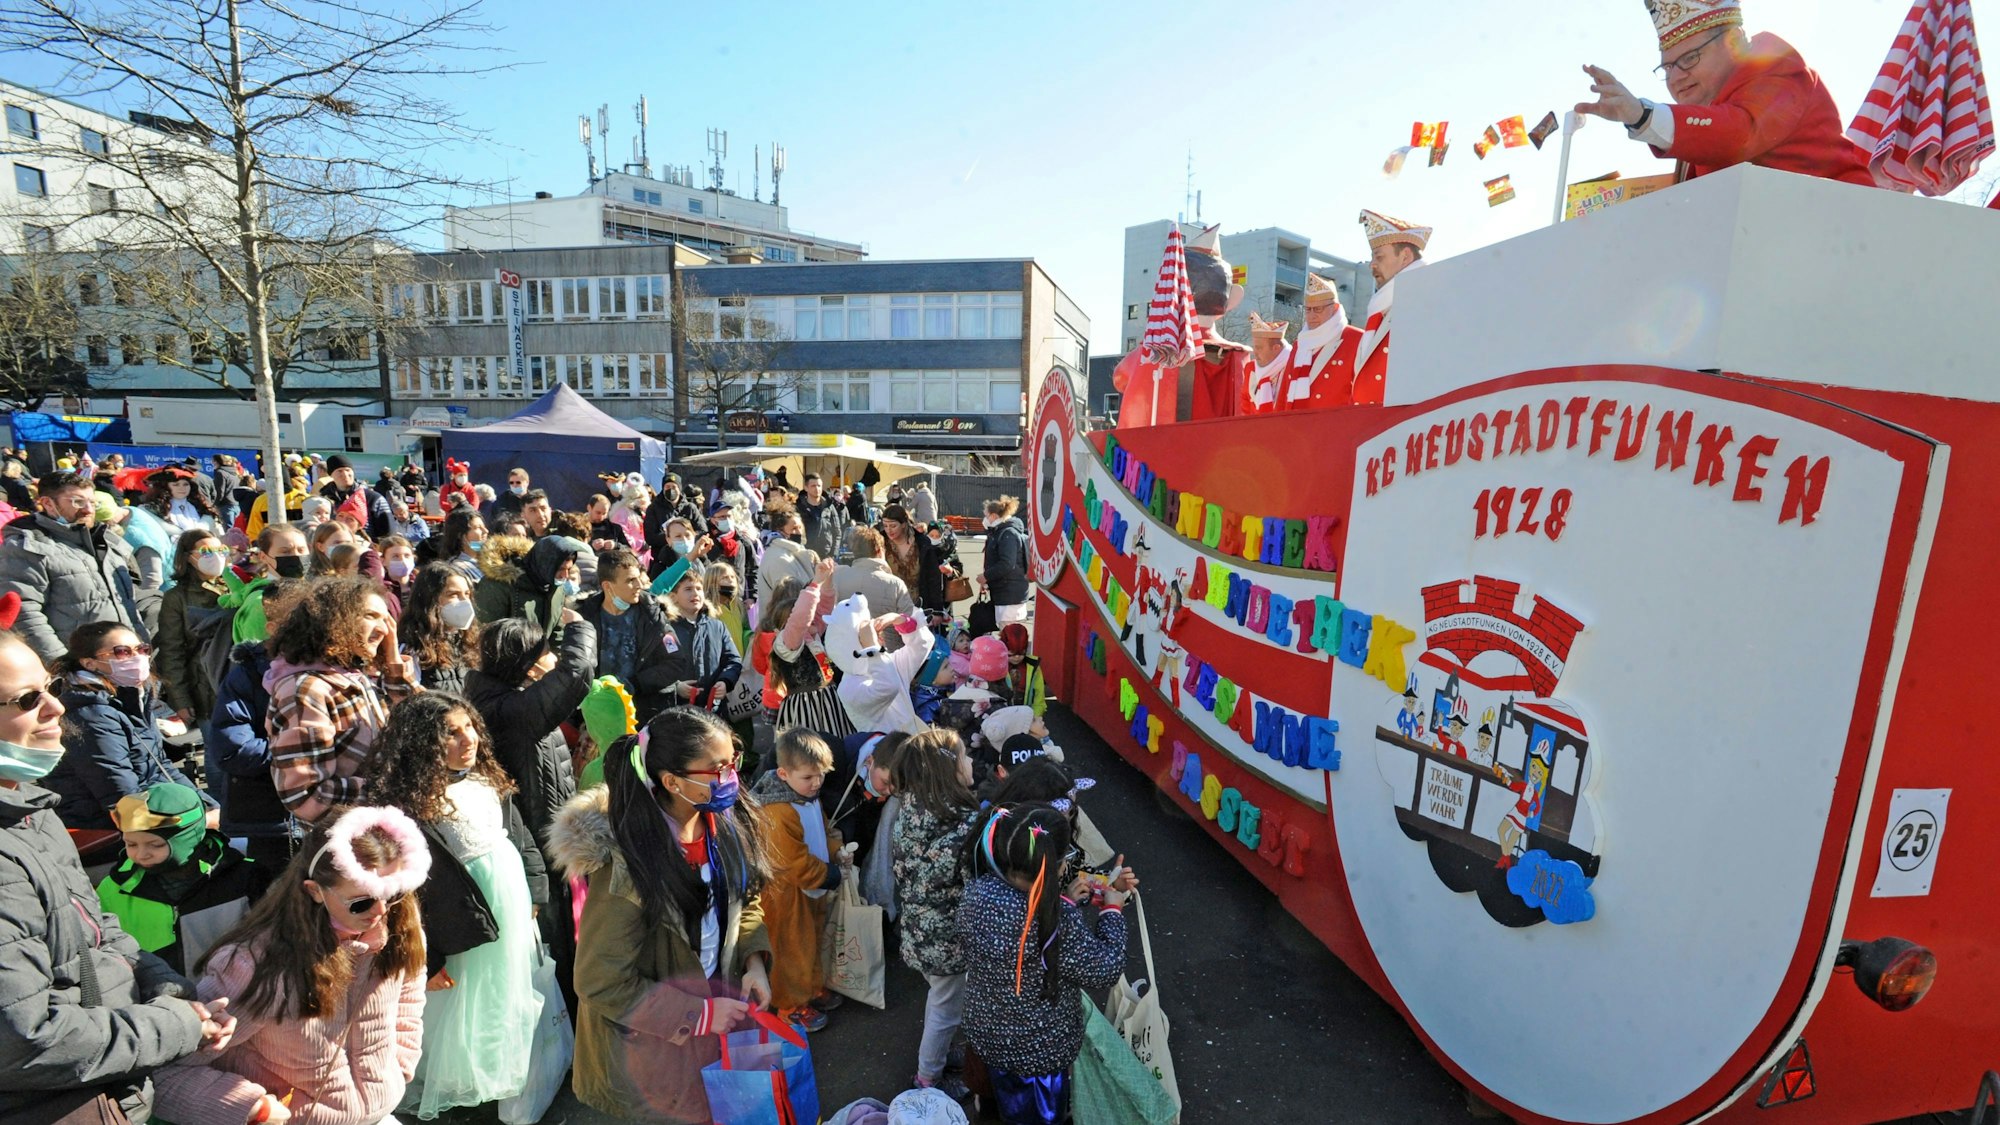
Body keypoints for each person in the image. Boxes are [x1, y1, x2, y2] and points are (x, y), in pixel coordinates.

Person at [0, 622, 235, 1124]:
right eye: (25, 700)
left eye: (49, 687)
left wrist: (168, 988)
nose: (56, 708)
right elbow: (26, 1038)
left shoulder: (33, 810)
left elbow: (97, 929)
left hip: (106, 1074)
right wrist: (174, 1026)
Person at [548, 706, 773, 1124]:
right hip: (651, 1051)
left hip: (710, 1028)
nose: (731, 778)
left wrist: (753, 961)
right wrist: (700, 1015)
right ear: (671, 781)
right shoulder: (626, 866)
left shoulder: (721, 822)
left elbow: (747, 899)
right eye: (717, 769)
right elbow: (600, 980)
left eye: (733, 763)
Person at [150, 806, 431, 1125]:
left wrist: (398, 1065)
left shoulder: (401, 925)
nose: (381, 910)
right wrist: (252, 1110)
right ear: (314, 891)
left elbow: (409, 996)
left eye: (394, 892)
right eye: (361, 901)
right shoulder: (257, 964)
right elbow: (165, 1070)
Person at [363, 693, 547, 1118]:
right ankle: (456, 1087)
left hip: (510, 904)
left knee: (501, 992)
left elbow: (519, 837)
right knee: (457, 1005)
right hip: (457, 920)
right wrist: (427, 959)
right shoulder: (408, 805)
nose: (469, 739)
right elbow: (405, 893)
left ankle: (495, 1074)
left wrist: (536, 891)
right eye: (451, 732)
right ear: (422, 743)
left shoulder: (484, 779)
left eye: (469, 727)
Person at [959, 804, 1138, 1125]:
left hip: (989, 1033)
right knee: (1038, 1116)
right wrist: (1112, 911)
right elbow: (1105, 967)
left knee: (1007, 1098)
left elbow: (1021, 942)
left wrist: (1067, 900)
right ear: (1054, 868)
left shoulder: (978, 891)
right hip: (1039, 1051)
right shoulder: (1056, 918)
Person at [1578, 0, 1874, 188]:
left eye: (1690, 58)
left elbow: (1738, 133)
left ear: (1733, 41)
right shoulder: (1702, 115)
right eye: (1667, 67)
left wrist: (1642, 116)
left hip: (1849, 237)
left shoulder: (1776, 66)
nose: (1676, 77)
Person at [464, 611, 596, 1008]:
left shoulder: (510, 699)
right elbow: (578, 671)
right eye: (546, 651)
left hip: (552, 841)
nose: (553, 658)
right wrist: (580, 627)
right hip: (534, 849)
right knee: (554, 954)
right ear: (525, 661)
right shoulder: (508, 712)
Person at [263, 575, 420, 824]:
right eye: (370, 616)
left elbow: (422, 721)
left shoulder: (357, 677)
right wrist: (392, 790)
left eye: (385, 618)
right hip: (349, 842)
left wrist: (393, 660)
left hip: (387, 830)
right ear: (334, 620)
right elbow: (306, 797)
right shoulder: (306, 690)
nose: (384, 628)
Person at [47, 620, 215, 830]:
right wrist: (198, 822)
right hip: (103, 826)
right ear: (89, 663)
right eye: (122, 652)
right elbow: (121, 799)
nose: (138, 658)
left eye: (141, 649)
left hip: (146, 811)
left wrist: (207, 806)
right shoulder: (90, 714)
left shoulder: (133, 696)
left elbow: (160, 765)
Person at [891, 728, 981, 1101]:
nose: (971, 762)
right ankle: (927, 1079)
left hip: (921, 933)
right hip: (947, 942)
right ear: (947, 771)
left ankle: (941, 1056)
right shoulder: (961, 827)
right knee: (945, 1010)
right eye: (964, 756)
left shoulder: (914, 810)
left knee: (942, 1002)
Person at [95, 782, 261, 977]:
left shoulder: (245, 877)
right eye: (131, 844)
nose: (141, 854)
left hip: (230, 994)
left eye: (155, 845)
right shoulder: (114, 888)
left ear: (188, 838)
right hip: (154, 997)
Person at [748, 728, 846, 1032]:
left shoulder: (806, 795)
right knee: (790, 948)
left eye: (820, 775)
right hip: (785, 893)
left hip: (809, 887)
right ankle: (789, 1004)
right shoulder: (778, 811)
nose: (816, 783)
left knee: (811, 941)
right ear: (783, 773)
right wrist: (828, 873)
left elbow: (823, 829)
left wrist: (836, 852)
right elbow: (791, 861)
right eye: (808, 777)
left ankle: (812, 987)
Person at [0, 468, 148, 664]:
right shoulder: (27, 548)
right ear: (48, 504)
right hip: (80, 671)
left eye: (92, 502)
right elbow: (25, 616)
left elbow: (129, 607)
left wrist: (142, 651)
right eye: (78, 502)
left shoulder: (107, 543)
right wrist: (64, 667)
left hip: (125, 661)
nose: (88, 509)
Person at [575, 548, 679, 723]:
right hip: (599, 716)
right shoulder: (584, 617)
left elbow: (675, 661)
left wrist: (635, 684)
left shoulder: (653, 616)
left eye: (639, 578)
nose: (639, 585)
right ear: (607, 586)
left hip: (646, 715)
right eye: (631, 580)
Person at [1352, 209, 1431, 406]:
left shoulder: (1427, 301)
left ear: (1405, 256)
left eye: (1379, 257)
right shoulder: (1384, 307)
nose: (1372, 265)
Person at [768, 564, 856, 740]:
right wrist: (814, 584)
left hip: (830, 704)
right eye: (810, 616)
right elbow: (801, 618)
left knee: (837, 749)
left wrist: (827, 580)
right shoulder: (788, 642)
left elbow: (824, 608)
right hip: (807, 709)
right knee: (810, 754)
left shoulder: (813, 637)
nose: (814, 618)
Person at [156, 529, 232, 731]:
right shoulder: (176, 597)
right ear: (188, 557)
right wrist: (180, 699)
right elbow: (172, 651)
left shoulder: (236, 586)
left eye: (221, 550)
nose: (216, 557)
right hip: (205, 690)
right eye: (206, 551)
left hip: (237, 680)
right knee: (216, 754)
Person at [654, 559, 745, 717]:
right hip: (677, 711)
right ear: (673, 597)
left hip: (714, 711)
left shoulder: (717, 626)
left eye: (698, 589)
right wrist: (675, 687)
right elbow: (654, 666)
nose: (695, 594)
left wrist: (725, 681)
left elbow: (733, 660)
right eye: (688, 589)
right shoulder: (664, 629)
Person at [400, 561, 481, 695]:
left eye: (467, 594)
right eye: (453, 595)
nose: (465, 602)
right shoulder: (412, 649)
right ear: (430, 599)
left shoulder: (470, 643)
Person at [475, 531, 583, 626]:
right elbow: (487, 629)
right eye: (560, 569)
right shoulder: (498, 585)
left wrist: (552, 649)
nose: (565, 575)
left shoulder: (555, 587)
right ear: (545, 564)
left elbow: (557, 629)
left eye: (569, 569)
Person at [880, 503, 956, 616]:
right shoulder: (880, 541)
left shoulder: (922, 543)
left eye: (893, 525)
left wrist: (936, 610)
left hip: (917, 607)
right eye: (885, 525)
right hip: (887, 606)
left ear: (904, 524)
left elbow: (933, 578)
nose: (888, 530)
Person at [836, 525, 918, 620]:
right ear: (879, 550)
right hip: (885, 634)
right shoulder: (896, 584)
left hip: (845, 633)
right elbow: (909, 620)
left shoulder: (838, 576)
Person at [978, 495, 1031, 628]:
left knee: (1009, 633)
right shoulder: (1001, 532)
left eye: (986, 515)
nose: (985, 519)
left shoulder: (1007, 534)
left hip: (1010, 595)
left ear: (994, 516)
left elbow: (1007, 563)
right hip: (1006, 593)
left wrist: (986, 576)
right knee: (1007, 631)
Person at [643, 472, 708, 578]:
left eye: (674, 486)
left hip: (692, 558)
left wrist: (688, 538)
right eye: (667, 486)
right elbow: (650, 537)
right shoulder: (653, 509)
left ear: (680, 488)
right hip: (664, 560)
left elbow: (703, 530)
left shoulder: (690, 508)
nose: (671, 489)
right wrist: (673, 539)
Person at [317, 454, 392, 539]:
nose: (345, 474)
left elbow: (388, 533)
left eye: (348, 470)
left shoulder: (373, 498)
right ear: (331, 475)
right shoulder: (324, 500)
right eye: (340, 471)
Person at [759, 508, 819, 608]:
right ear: (780, 531)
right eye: (794, 528)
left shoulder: (794, 552)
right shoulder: (780, 558)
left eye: (800, 527)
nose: (799, 532)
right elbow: (791, 597)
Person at [703, 498, 759, 598]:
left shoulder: (742, 539)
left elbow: (753, 569)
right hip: (712, 598)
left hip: (737, 597)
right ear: (712, 520)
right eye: (722, 517)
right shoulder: (705, 540)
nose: (727, 520)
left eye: (729, 516)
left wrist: (752, 596)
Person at [143, 467, 220, 535]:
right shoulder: (151, 509)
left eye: (186, 484)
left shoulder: (199, 506)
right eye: (176, 485)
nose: (182, 488)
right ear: (165, 487)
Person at [996, 623, 1048, 715]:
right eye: (1011, 653)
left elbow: (1039, 700)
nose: (1016, 657)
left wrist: (1033, 718)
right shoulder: (995, 665)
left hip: (1027, 718)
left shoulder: (1033, 666)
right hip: (1001, 718)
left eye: (1021, 653)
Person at [794, 473, 847, 558]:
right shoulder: (799, 508)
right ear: (806, 488)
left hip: (826, 555)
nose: (817, 489)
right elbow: (794, 533)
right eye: (813, 486)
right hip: (805, 555)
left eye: (819, 486)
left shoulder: (829, 507)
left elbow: (837, 532)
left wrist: (833, 555)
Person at [438, 506, 488, 587]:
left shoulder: (490, 561)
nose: (486, 531)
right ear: (460, 535)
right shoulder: (456, 570)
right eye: (478, 528)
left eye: (484, 526)